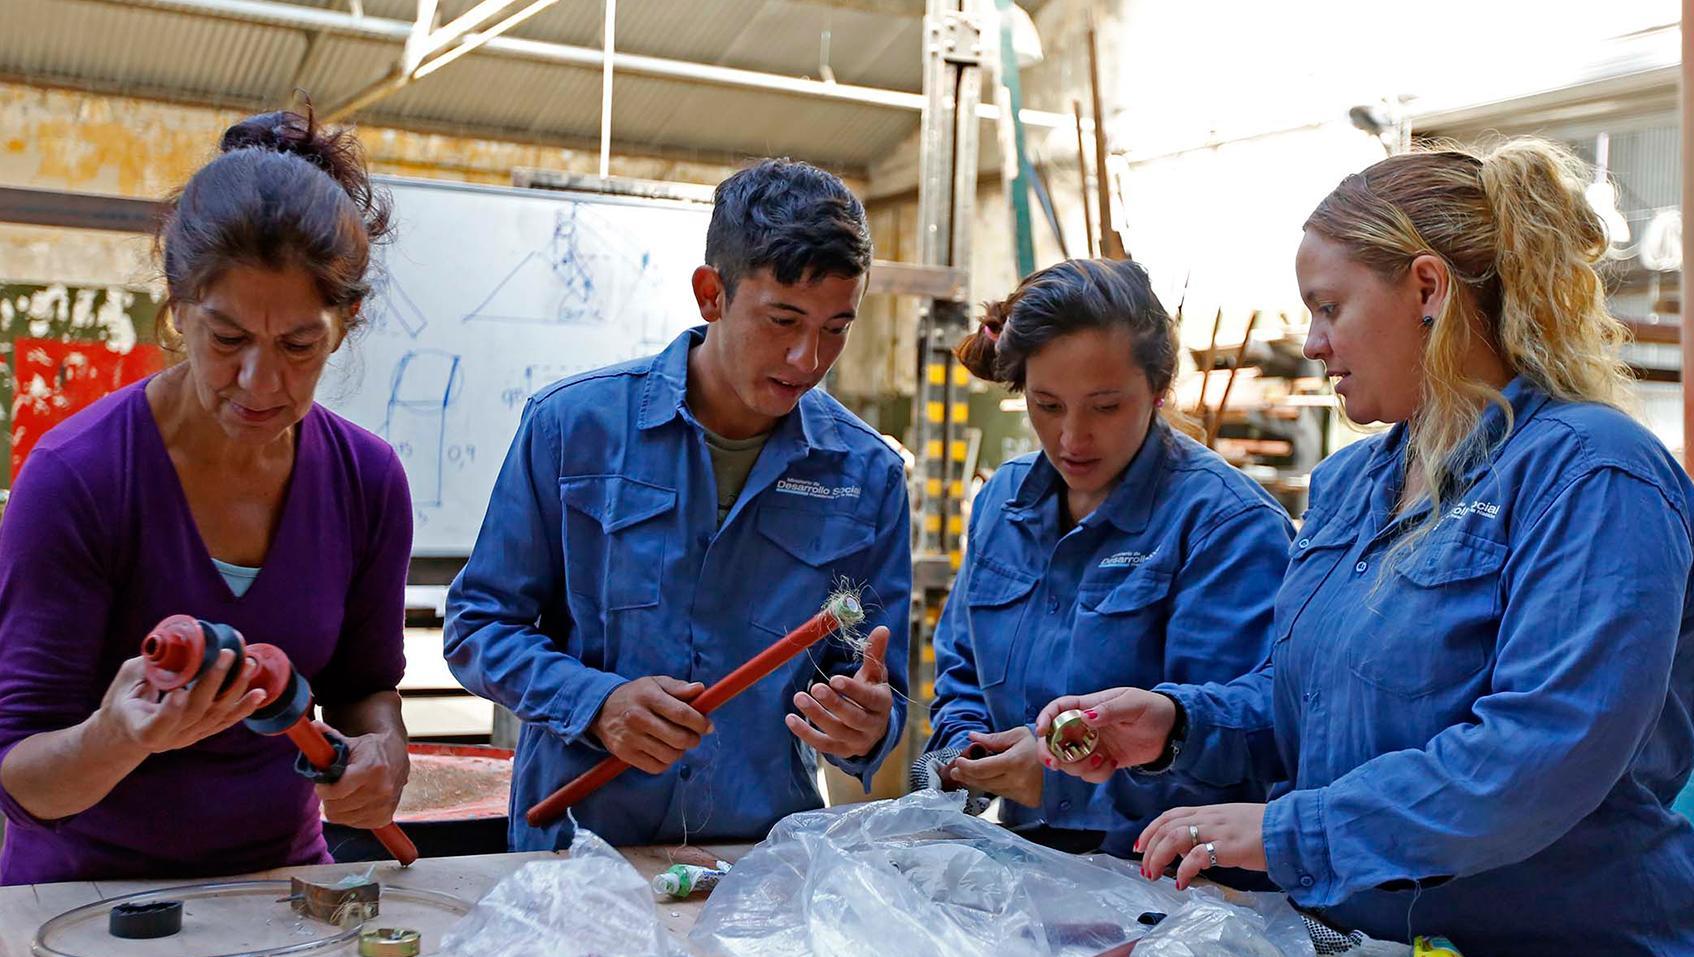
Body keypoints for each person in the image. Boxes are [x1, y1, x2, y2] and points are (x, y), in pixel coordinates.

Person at [1038, 139, 1694, 954]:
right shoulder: (1353, 482)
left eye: (1329, 307)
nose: (1312, 342)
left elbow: (1540, 752)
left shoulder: (1592, 472)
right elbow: (1310, 708)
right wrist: (1177, 723)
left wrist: (1293, 833)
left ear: (1426, 288)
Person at [445, 158, 910, 850]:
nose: (808, 357)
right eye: (782, 319)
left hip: (754, 863)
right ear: (710, 293)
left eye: (835, 328)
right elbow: (478, 626)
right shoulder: (573, 429)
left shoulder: (867, 474)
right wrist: (595, 703)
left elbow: (875, 684)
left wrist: (868, 727)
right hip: (578, 848)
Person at [0, 110, 413, 884]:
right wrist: (115, 738)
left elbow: (364, 687)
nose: (260, 383)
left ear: (346, 324)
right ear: (177, 306)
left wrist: (383, 754)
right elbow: (19, 775)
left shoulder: (368, 482)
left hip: (281, 889)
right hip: (83, 901)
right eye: (226, 339)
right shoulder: (78, 478)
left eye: (299, 345)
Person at [924, 259, 1291, 859]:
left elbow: (1241, 748)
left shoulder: (1226, 527)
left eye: (1105, 407)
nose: (1072, 438)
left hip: (1177, 891)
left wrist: (1060, 782)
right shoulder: (1002, 503)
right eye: (1047, 405)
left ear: (1158, 390)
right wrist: (967, 751)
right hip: (1024, 867)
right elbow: (961, 672)